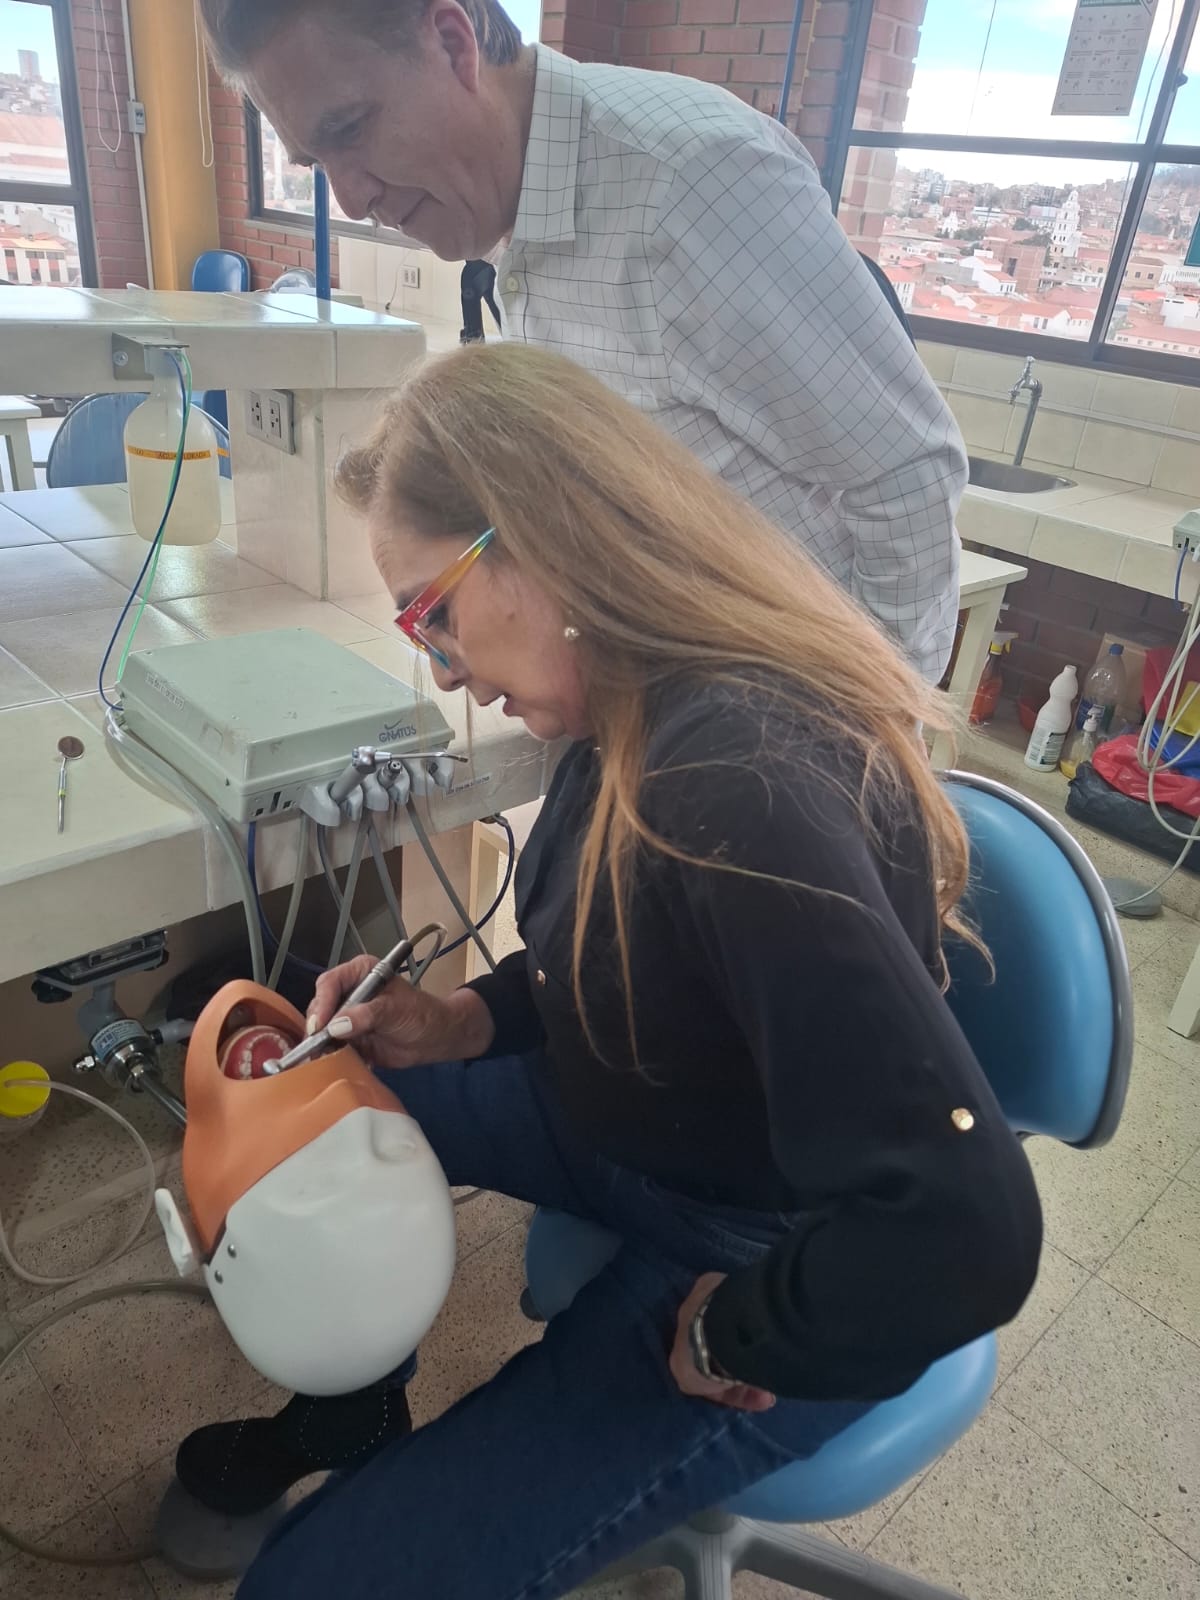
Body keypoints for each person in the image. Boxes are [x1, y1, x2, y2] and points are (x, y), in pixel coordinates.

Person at [191, 342, 1040, 1599]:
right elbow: (633, 955)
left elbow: (969, 1229)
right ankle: (352, 1408)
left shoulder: (734, 786)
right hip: (638, 1116)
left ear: (543, 541)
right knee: (316, 1106)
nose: (443, 667)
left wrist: (736, 1331)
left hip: (761, 1239)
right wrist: (459, 1020)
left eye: (434, 613)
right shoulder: (629, 701)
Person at [199, 0, 968, 682]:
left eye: (351, 130)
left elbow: (906, 478)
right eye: (316, 161)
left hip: (784, 733)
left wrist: (858, 741)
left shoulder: (688, 185)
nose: (350, 197)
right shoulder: (524, 219)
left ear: (453, 43)